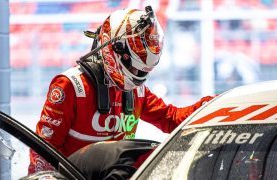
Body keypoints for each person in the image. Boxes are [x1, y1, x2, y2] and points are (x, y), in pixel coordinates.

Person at [29, 6, 214, 174]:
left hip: (114, 173)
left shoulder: (137, 92)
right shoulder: (71, 86)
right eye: (134, 67)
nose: (138, 74)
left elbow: (171, 118)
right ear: (113, 49)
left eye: (142, 70)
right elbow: (42, 152)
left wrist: (210, 106)